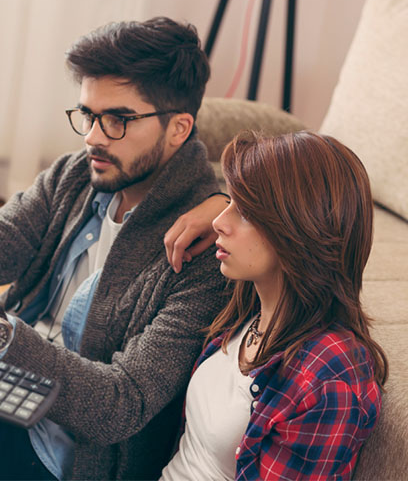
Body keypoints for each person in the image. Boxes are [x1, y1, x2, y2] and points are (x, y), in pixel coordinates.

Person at [0, 17, 230, 480]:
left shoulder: (208, 250)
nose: (92, 136)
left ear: (178, 128)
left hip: (59, 453)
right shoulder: (79, 175)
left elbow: (120, 405)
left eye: (117, 120)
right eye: (88, 114)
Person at [161, 130, 388, 481]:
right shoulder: (248, 307)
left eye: (246, 212)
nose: (220, 221)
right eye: (230, 203)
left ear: (300, 229)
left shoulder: (331, 372)